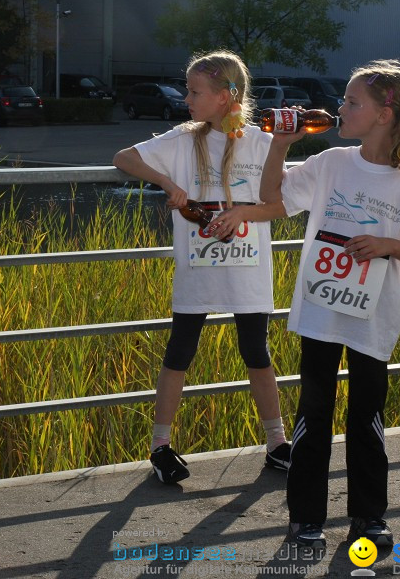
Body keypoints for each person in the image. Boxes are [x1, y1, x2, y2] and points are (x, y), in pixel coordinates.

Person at [234, 59, 400, 550]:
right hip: (322, 311)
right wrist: (280, 145)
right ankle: (305, 518)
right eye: (344, 100)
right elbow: (274, 200)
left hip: (373, 316)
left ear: (385, 115)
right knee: (314, 410)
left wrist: (386, 245)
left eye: (351, 102)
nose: (340, 108)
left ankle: (368, 516)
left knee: (367, 414)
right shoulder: (330, 163)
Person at [112, 50, 291, 485]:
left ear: (226, 95)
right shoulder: (180, 139)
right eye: (188, 90)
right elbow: (124, 158)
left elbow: (278, 204)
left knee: (257, 352)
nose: (186, 97)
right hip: (198, 270)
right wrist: (167, 182)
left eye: (195, 91)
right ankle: (160, 446)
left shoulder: (263, 143)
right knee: (180, 353)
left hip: (248, 270)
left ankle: (277, 443)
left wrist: (244, 214)